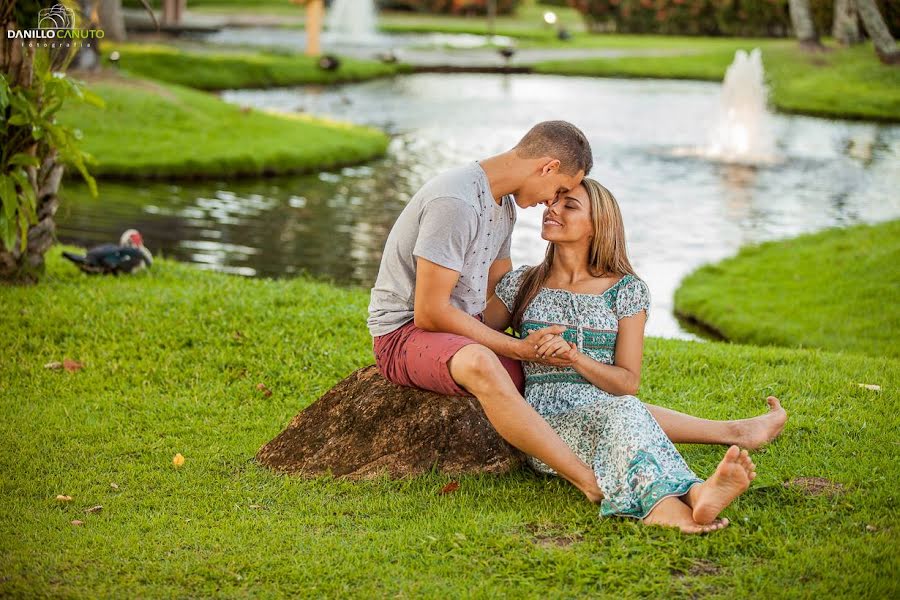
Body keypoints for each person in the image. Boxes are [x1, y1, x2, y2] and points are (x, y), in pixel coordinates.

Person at [367, 120, 786, 509]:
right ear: (549, 167)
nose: (551, 204)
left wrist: (556, 337)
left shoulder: (504, 208)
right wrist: (521, 347)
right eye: (560, 190)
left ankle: (726, 440)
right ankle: (592, 480)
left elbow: (496, 300)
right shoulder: (455, 201)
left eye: (569, 202)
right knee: (507, 372)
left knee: (597, 401)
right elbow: (429, 311)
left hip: (467, 334)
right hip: (410, 331)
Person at [489, 178, 771, 532]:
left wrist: (576, 358)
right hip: (545, 427)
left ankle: (691, 498)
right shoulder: (522, 284)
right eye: (552, 203)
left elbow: (627, 382)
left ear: (597, 226)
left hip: (612, 410)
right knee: (626, 415)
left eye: (569, 206)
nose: (552, 209)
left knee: (625, 411)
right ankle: (682, 501)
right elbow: (478, 330)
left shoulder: (627, 291)